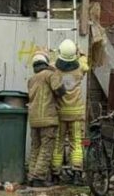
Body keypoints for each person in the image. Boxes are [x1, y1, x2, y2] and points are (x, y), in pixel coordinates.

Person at [27, 51, 64, 187]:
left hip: (33, 119)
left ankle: (31, 176)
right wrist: (55, 72)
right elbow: (60, 91)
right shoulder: (50, 75)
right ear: (46, 63)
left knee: (35, 148)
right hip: (48, 118)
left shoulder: (31, 79)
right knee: (46, 149)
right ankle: (39, 177)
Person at [52, 38, 86, 172]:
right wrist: (82, 54)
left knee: (58, 142)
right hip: (76, 113)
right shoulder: (80, 68)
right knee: (77, 142)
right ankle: (77, 170)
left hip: (60, 113)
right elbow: (86, 64)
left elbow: (50, 63)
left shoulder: (55, 69)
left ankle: (55, 171)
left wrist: (53, 53)